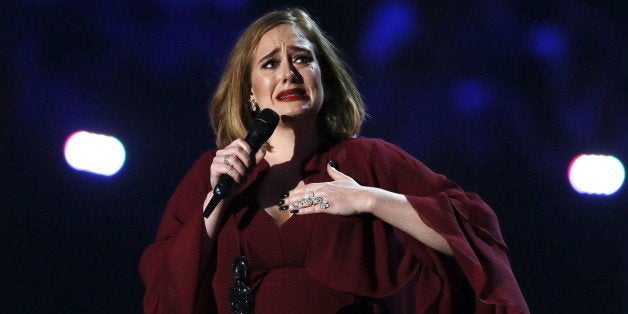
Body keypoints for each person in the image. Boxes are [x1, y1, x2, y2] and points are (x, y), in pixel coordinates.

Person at [139, 8, 529, 314]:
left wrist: (370, 200)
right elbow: (167, 287)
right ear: (250, 92)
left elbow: (473, 235)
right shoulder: (215, 171)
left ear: (323, 78)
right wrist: (219, 199)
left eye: (302, 59)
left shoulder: (367, 159)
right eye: (270, 63)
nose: (289, 74)